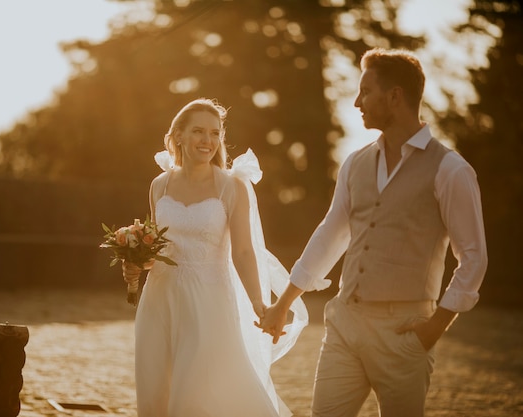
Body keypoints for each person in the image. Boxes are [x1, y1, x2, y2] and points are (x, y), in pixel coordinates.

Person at [259, 48, 488, 417]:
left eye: (365, 91)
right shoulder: (355, 163)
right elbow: (330, 235)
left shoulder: (450, 170)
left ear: (395, 96)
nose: (356, 102)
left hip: (405, 332)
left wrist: (434, 328)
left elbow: (474, 257)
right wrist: (283, 303)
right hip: (345, 324)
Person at [122, 98, 309, 417]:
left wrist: (258, 304)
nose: (207, 141)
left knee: (197, 393)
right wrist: (136, 260)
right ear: (178, 135)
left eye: (214, 133)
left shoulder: (231, 186)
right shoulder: (159, 186)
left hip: (208, 300)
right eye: (198, 131)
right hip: (159, 298)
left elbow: (244, 251)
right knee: (157, 388)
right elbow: (158, 249)